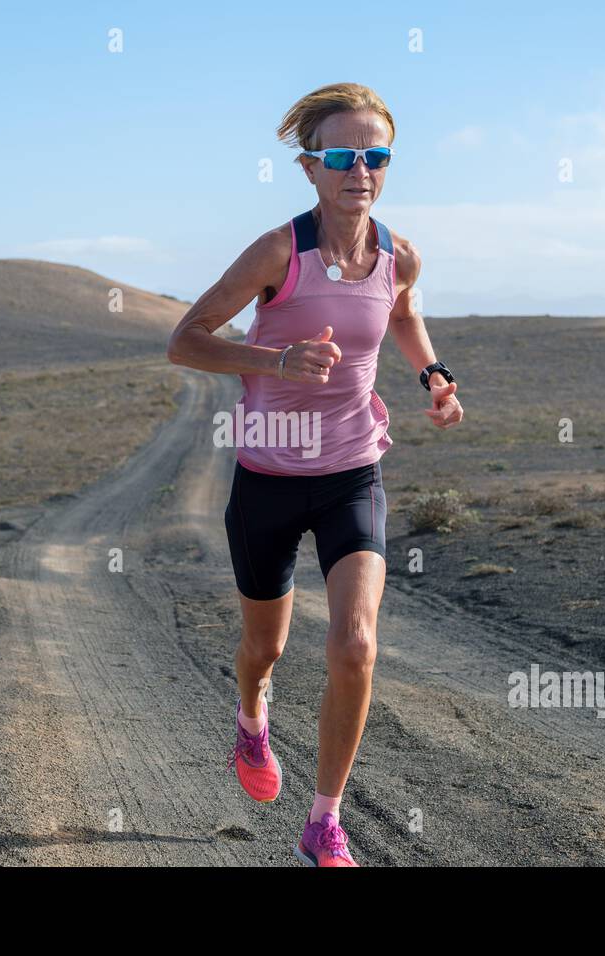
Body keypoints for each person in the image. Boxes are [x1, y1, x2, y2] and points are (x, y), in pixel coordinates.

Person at [167, 82, 464, 866]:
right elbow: (186, 340)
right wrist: (276, 360)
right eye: (341, 156)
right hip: (266, 476)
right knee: (264, 649)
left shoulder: (399, 253)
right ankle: (252, 713)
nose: (358, 170)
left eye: (375, 156)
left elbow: (400, 309)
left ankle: (323, 821)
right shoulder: (277, 253)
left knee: (355, 645)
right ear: (309, 167)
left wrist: (432, 373)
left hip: (351, 473)